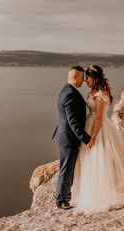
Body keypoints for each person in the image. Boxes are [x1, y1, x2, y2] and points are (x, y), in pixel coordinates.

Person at [70, 65, 124, 214]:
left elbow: (100, 117)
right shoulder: (95, 92)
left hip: (98, 128)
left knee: (101, 159)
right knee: (91, 160)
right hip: (92, 125)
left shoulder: (100, 94)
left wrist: (92, 137)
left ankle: (107, 194)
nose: (85, 81)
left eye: (87, 78)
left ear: (94, 79)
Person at [52, 66, 91, 210]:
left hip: (66, 136)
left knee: (69, 167)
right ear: (75, 77)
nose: (84, 81)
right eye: (82, 77)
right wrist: (86, 138)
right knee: (66, 168)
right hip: (68, 138)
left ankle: (66, 194)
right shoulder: (69, 94)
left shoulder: (68, 90)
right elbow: (73, 122)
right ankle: (61, 200)